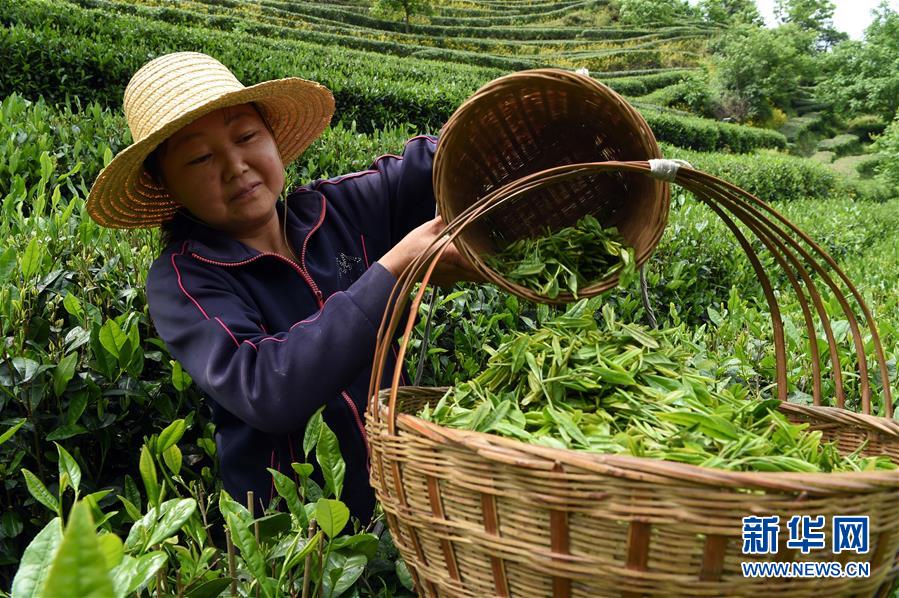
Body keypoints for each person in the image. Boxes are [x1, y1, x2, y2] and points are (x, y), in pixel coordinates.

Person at [87, 51, 479, 522]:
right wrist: (392, 271)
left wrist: (506, 130)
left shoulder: (336, 210)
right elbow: (266, 388)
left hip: (407, 502)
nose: (235, 166)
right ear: (167, 187)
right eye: (200, 158)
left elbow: (432, 168)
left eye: (247, 136)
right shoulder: (185, 280)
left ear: (272, 139)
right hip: (299, 542)